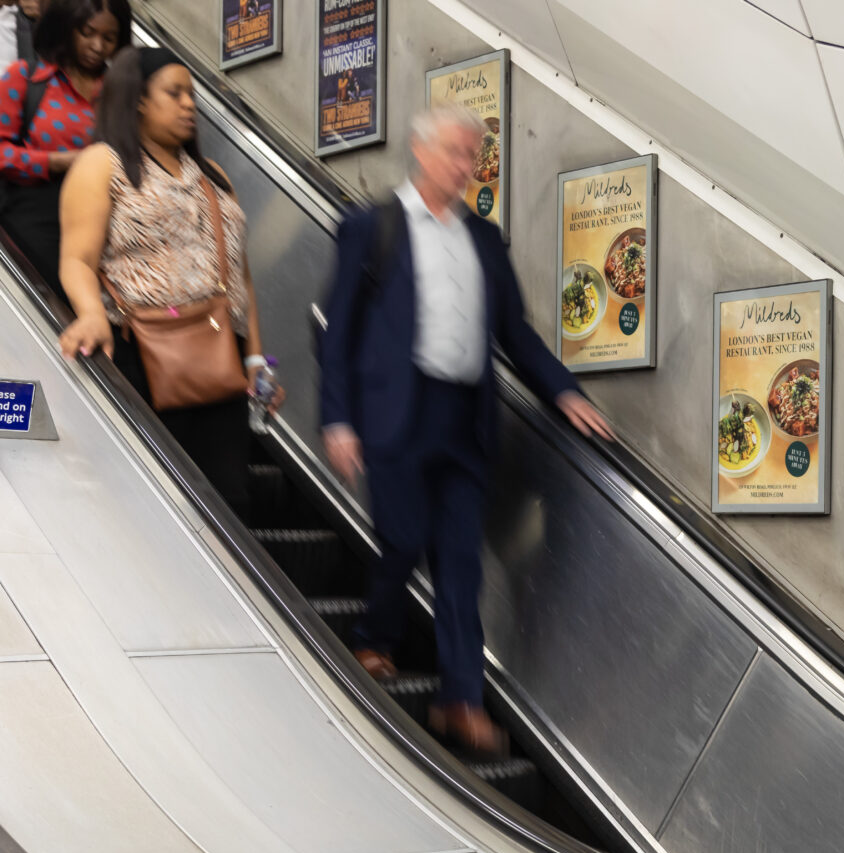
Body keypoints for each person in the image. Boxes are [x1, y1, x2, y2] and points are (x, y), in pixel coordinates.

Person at [319, 104, 613, 755]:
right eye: (454, 153)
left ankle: (460, 698)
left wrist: (563, 392)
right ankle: (374, 636)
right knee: (401, 536)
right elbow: (339, 337)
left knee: (460, 561)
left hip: (466, 419)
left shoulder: (483, 239)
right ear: (422, 152)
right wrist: (337, 419)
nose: (464, 166)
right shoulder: (373, 228)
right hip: (396, 411)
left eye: (471, 156)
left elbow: (515, 332)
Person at [56, 47, 281, 513]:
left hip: (220, 361)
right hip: (143, 355)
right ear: (137, 98)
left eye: (191, 95)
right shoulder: (102, 164)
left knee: (229, 503)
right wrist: (92, 315)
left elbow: (240, 276)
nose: (188, 104)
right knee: (153, 503)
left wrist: (255, 356)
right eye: (174, 93)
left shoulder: (213, 177)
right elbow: (77, 257)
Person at [0, 0, 128, 295]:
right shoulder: (26, 78)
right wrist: (58, 161)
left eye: (109, 39)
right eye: (87, 33)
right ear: (67, 27)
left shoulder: (121, 95)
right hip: (34, 221)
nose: (97, 46)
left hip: (103, 230)